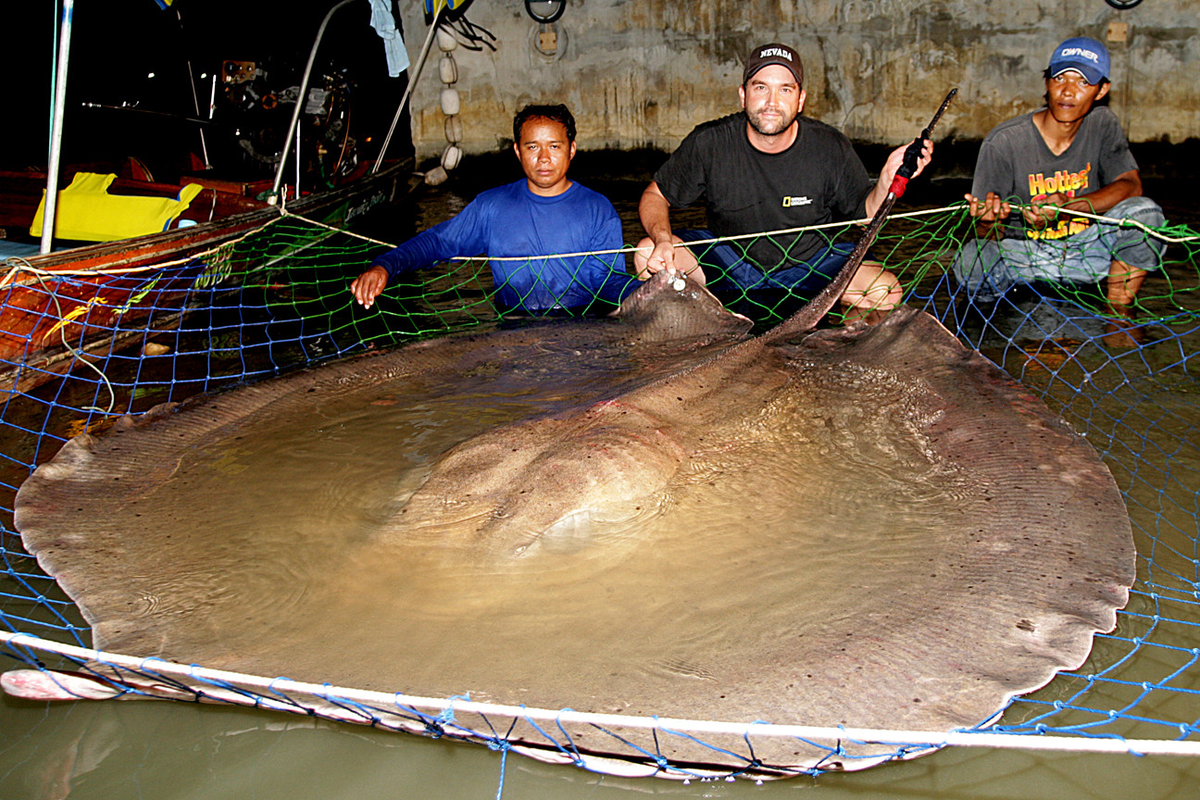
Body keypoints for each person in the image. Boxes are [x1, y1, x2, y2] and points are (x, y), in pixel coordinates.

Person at [634, 42, 932, 315]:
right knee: (647, 255)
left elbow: (865, 216)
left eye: (785, 90)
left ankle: (837, 349)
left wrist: (886, 181)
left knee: (884, 292)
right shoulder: (710, 141)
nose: (772, 102)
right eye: (761, 87)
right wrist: (662, 240)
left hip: (809, 265)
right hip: (729, 263)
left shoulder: (829, 146)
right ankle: (704, 334)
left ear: (801, 99)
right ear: (743, 95)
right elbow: (655, 196)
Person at [351, 104, 639, 313]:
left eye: (554, 146)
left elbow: (608, 280)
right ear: (517, 151)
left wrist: (645, 294)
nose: (543, 158)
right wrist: (385, 266)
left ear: (571, 149)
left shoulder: (597, 208)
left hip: (581, 325)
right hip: (512, 327)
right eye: (532, 147)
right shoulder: (491, 206)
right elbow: (438, 242)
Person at [955, 37, 1165, 315]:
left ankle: (1118, 314)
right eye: (1060, 78)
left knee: (1146, 214)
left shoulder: (1102, 124)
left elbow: (1131, 185)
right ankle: (993, 326)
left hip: (1088, 252)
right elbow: (988, 236)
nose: (1067, 92)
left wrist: (1066, 207)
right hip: (1026, 257)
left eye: (1083, 83)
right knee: (972, 260)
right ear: (1047, 83)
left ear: (1102, 90)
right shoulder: (1004, 142)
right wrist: (987, 223)